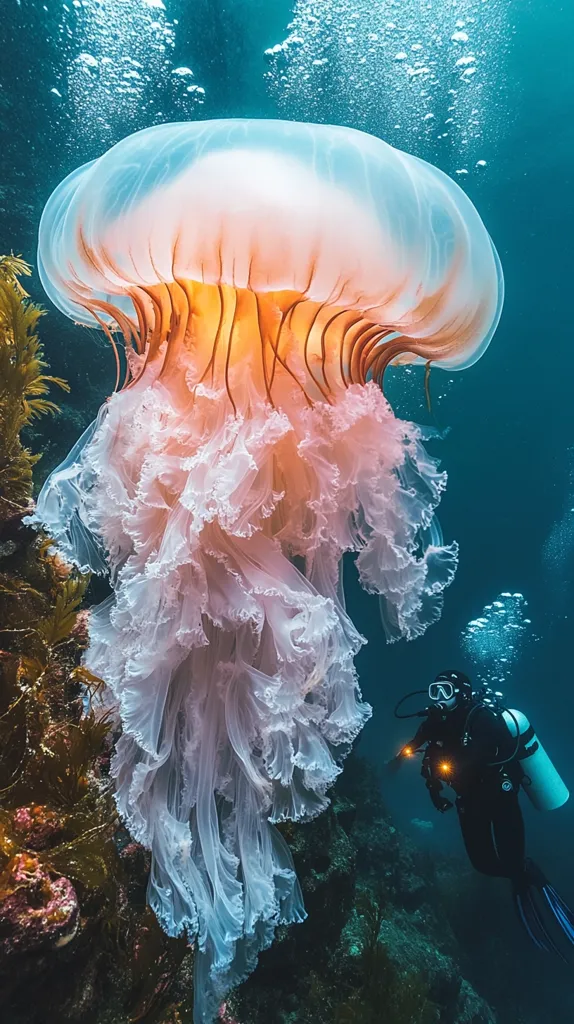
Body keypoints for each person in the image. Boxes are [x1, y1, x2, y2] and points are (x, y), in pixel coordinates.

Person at [395, 670, 574, 956]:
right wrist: (405, 762)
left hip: (500, 797)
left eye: (445, 691)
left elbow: (475, 753)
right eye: (434, 691)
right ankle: (522, 875)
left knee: (512, 859)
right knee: (483, 864)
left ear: (462, 693)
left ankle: (529, 877)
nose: (439, 698)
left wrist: (447, 766)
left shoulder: (481, 718)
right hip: (470, 801)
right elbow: (419, 749)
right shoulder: (435, 722)